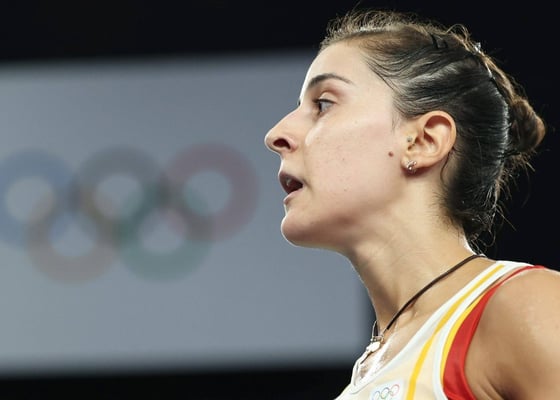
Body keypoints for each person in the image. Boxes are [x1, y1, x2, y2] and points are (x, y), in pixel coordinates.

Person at [264, 8, 560, 399]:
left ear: (424, 141)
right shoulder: (368, 375)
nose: (276, 134)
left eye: (323, 104)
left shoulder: (527, 306)